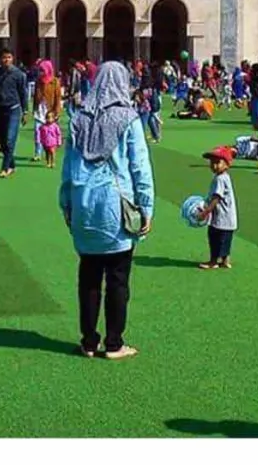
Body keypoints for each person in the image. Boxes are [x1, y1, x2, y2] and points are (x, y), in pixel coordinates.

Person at [58, 61, 155, 360]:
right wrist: (146, 206)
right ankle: (114, 343)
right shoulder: (128, 119)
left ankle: (88, 341)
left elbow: (68, 167)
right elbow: (140, 167)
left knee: (88, 277)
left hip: (84, 203)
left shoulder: (78, 119)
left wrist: (66, 202)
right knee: (117, 278)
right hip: (116, 205)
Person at [0, 48, 29, 178]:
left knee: (10, 140)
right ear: (0, 59)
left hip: (13, 109)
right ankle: (12, 165)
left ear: (13, 58)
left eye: (9, 57)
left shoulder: (19, 75)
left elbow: (23, 94)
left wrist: (25, 111)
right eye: (4, 57)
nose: (6, 60)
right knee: (3, 142)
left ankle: (5, 168)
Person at [198, 145, 238, 269]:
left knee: (215, 239)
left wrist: (206, 211)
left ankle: (213, 261)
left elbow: (216, 197)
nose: (214, 165)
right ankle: (225, 260)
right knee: (225, 240)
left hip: (221, 218)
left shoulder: (220, 179)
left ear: (227, 165)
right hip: (229, 219)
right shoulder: (224, 177)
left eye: (217, 162)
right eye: (212, 162)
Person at [32, 59, 64, 161]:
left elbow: (58, 98)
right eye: (40, 70)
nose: (41, 72)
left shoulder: (55, 82)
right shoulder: (38, 81)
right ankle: (38, 153)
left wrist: (57, 112)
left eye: (43, 70)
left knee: (50, 133)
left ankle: (51, 151)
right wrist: (34, 108)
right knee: (37, 131)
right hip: (40, 110)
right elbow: (35, 96)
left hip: (50, 111)